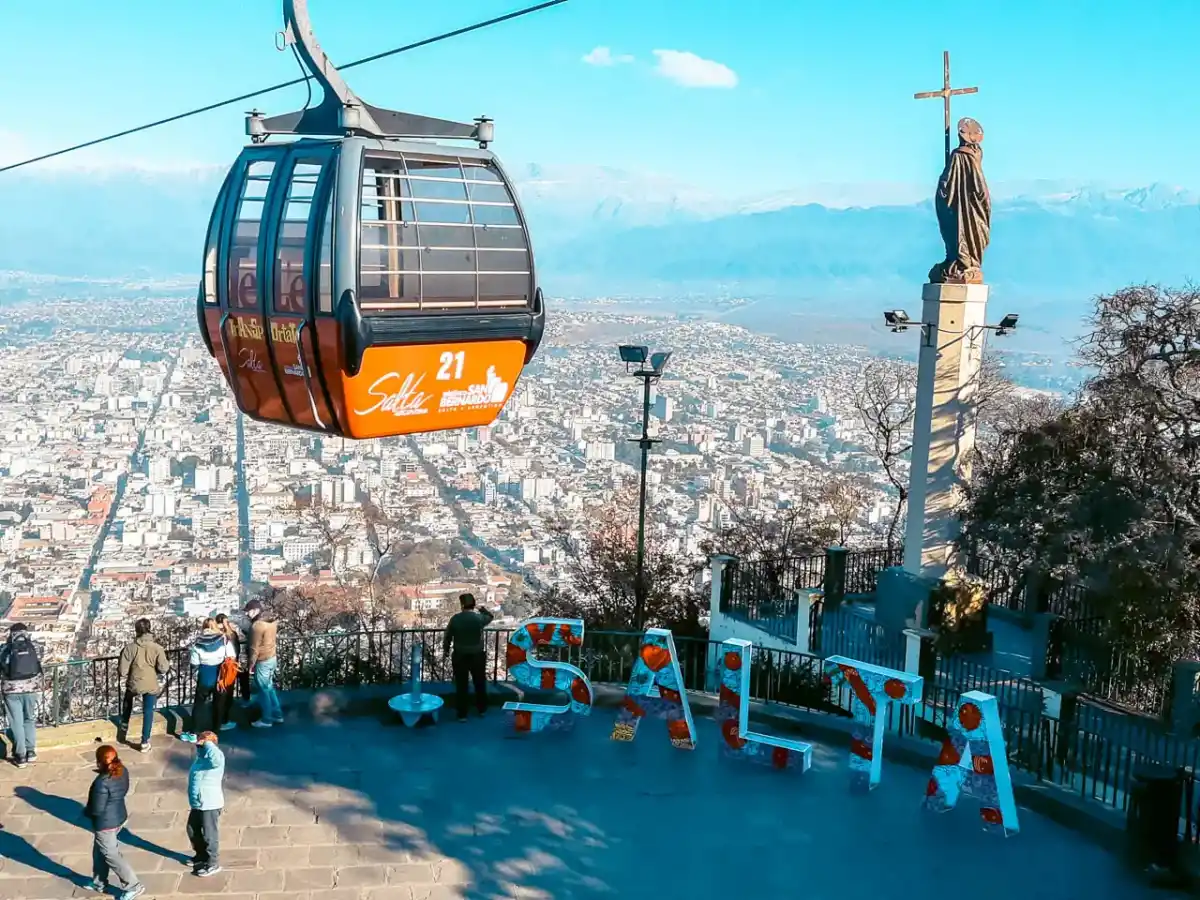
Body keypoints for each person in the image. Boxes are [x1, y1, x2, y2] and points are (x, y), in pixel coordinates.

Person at [85, 745, 145, 900]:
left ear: (99, 762)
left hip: (105, 823)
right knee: (99, 851)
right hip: (119, 816)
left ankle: (134, 885)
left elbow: (97, 809)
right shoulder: (122, 770)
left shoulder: (102, 782)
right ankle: (99, 882)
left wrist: (88, 813)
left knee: (111, 854)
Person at [117, 618, 170, 753]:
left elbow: (122, 671)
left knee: (128, 699)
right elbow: (164, 668)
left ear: (136, 630)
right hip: (151, 682)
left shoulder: (129, 648)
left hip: (134, 682)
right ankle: (144, 742)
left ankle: (123, 728)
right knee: (148, 711)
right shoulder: (157, 648)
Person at [180, 619, 234, 743]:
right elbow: (231, 656)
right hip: (220, 675)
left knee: (199, 705)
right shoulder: (224, 640)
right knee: (218, 704)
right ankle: (216, 731)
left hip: (205, 675)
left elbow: (194, 663)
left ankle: (194, 732)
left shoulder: (198, 643)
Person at [442, 593, 494, 722]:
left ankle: (462, 714)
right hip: (477, 655)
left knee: (461, 685)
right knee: (479, 683)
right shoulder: (479, 619)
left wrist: (446, 650)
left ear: (461, 605)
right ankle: (482, 709)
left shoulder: (455, 619)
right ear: (473, 604)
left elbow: (448, 636)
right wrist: (482, 609)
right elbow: (490, 617)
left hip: (460, 655)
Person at [1, 623, 42, 768]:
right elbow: (38, 664)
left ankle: (21, 755)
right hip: (31, 688)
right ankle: (31, 751)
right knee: (29, 718)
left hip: (11, 690)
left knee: (16, 722)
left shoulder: (5, 649)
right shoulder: (35, 646)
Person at [186, 730, 226, 877]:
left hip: (210, 803)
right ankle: (201, 855)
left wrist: (208, 743)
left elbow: (215, 759)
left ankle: (212, 863)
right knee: (192, 829)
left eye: (202, 743)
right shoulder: (201, 758)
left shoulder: (216, 757)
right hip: (198, 803)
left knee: (210, 834)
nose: (199, 745)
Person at [244, 599, 282, 728]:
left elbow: (254, 648)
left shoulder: (257, 626)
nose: (246, 614)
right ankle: (277, 715)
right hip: (272, 657)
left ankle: (266, 719)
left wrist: (250, 665)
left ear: (255, 610)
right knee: (269, 688)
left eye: (248, 611)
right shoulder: (271, 622)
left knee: (263, 690)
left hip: (262, 660)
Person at [212, 614, 241, 732]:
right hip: (228, 669)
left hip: (216, 668)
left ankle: (217, 721)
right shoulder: (231, 635)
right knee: (227, 695)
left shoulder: (214, 635)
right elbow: (237, 651)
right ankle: (224, 720)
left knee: (218, 697)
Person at [216, 612, 250, 704]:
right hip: (240, 660)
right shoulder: (234, 632)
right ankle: (246, 702)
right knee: (244, 682)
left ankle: (227, 704)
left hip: (230, 662)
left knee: (228, 684)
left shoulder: (223, 635)